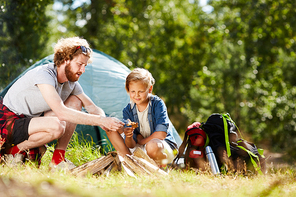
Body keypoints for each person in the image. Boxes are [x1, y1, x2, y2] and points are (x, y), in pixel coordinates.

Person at [0, 37, 131, 168]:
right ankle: (11, 152)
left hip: (31, 122)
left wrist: (108, 121)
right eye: (79, 64)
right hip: (10, 121)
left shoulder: (71, 83)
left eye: (85, 66)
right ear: (65, 59)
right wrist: (100, 121)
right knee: (56, 127)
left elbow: (91, 107)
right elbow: (61, 112)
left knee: (75, 100)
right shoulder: (44, 74)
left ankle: (57, 159)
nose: (82, 70)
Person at [120, 68, 178, 166]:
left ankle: (164, 164)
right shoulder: (128, 110)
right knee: (117, 132)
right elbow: (131, 144)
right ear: (128, 90)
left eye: (141, 91)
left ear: (150, 89)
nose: (136, 95)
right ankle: (139, 165)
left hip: (162, 145)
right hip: (142, 148)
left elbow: (161, 134)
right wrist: (129, 136)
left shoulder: (157, 104)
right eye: (133, 91)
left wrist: (142, 141)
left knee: (152, 146)